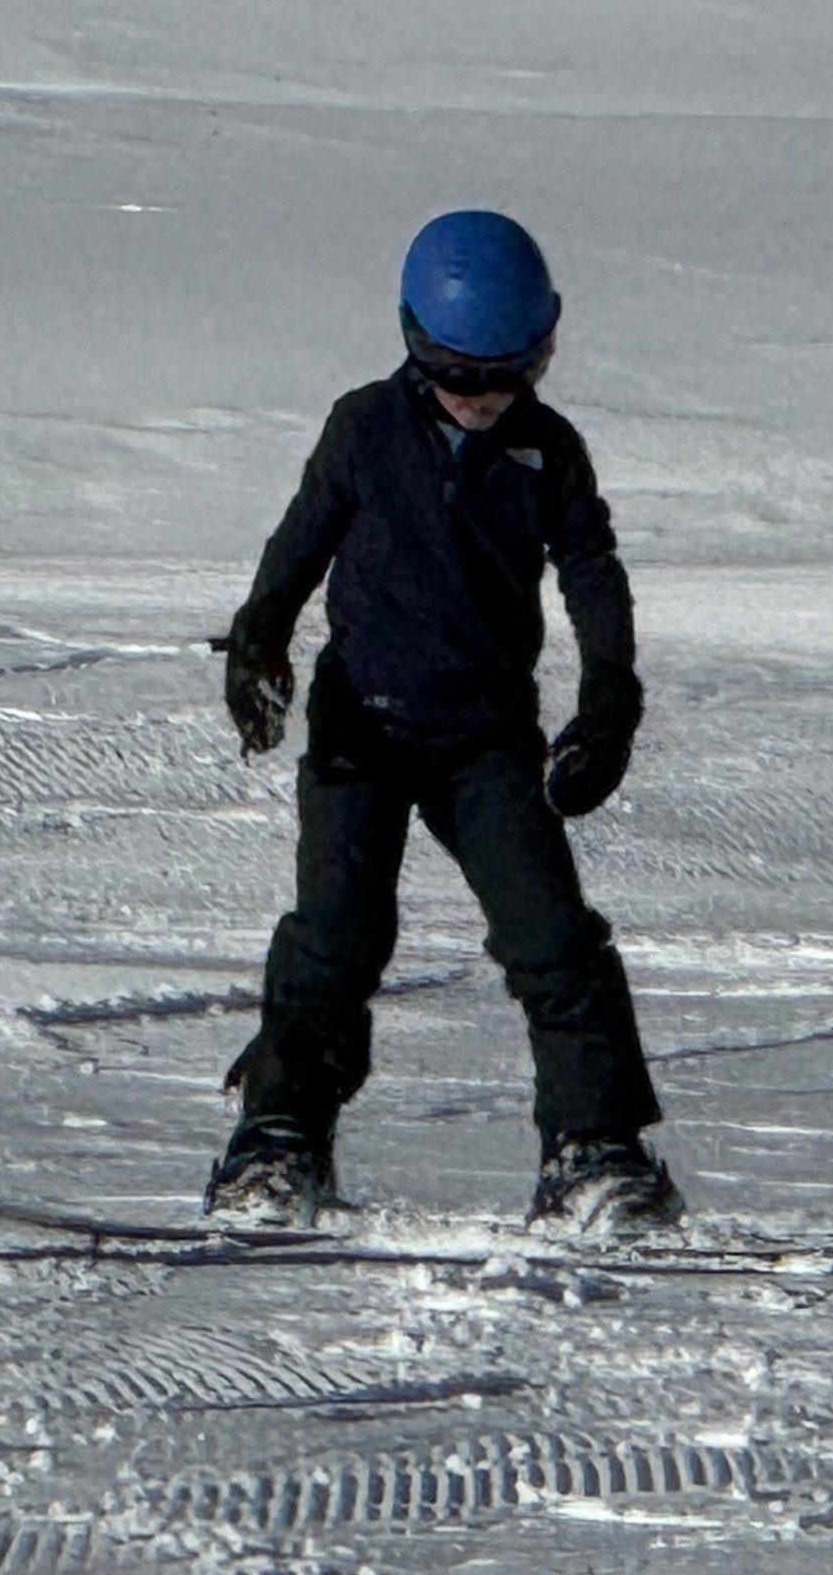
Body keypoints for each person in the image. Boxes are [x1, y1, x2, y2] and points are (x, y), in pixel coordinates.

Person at [209, 210, 680, 1234]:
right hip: (359, 733)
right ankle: (278, 1138)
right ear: (411, 342)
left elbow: (591, 572)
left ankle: (595, 1152)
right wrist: (257, 641)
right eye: (453, 374)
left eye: (504, 376)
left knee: (553, 939)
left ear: (542, 354)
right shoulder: (363, 428)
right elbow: (299, 544)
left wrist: (609, 699)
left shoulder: (548, 454)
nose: (477, 400)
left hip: (483, 740)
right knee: (334, 937)